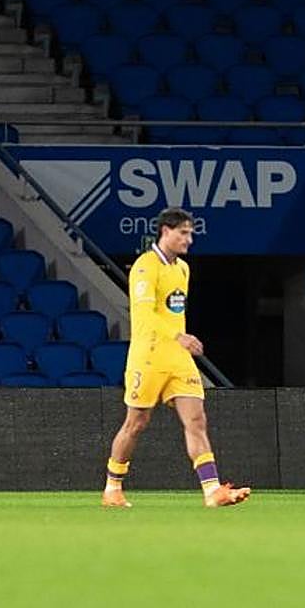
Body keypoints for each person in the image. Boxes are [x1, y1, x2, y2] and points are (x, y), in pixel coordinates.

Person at [101, 208, 250, 508]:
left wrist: (179, 341)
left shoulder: (182, 268)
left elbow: (173, 311)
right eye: (183, 232)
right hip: (149, 357)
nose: (189, 239)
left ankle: (212, 491)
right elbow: (144, 313)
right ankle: (112, 487)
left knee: (196, 420)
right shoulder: (145, 266)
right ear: (165, 231)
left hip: (178, 359)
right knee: (137, 423)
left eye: (190, 233)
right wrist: (178, 336)